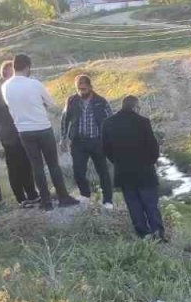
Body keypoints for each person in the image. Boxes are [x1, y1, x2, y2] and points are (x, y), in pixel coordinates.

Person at [1, 54, 78, 211]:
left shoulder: (5, 86)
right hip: (42, 128)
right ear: (28, 67)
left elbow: (10, 104)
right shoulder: (34, 83)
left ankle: (46, 202)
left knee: (36, 166)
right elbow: (50, 102)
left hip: (23, 130)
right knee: (53, 164)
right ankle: (63, 197)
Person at [101, 95, 164, 240]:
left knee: (134, 205)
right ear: (135, 107)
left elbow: (106, 149)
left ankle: (144, 234)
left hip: (123, 172)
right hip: (144, 171)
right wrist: (151, 161)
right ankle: (158, 234)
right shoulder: (143, 122)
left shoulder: (108, 123)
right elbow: (153, 147)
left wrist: (118, 161)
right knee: (150, 204)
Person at [0, 61, 39, 206]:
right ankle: (21, 197)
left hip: (24, 130)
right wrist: (1, 125)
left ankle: (32, 193)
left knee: (26, 164)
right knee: (14, 167)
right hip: (9, 135)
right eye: (10, 71)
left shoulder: (20, 86)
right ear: (4, 72)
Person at [61, 74, 114, 209]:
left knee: (103, 171)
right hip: (78, 142)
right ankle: (85, 196)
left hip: (97, 141)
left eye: (84, 89)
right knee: (78, 172)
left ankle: (108, 201)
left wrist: (111, 139)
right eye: (79, 89)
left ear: (90, 87)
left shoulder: (101, 101)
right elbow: (64, 119)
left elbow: (111, 121)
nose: (81, 91)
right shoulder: (71, 100)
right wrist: (63, 138)